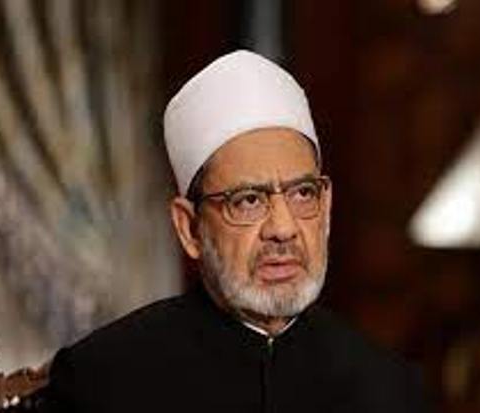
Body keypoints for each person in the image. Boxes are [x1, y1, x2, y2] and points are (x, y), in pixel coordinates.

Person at [41, 50, 427, 412]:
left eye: (302, 193)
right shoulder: (101, 381)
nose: (283, 229)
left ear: (325, 207)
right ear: (189, 228)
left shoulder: (389, 388)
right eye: (248, 200)